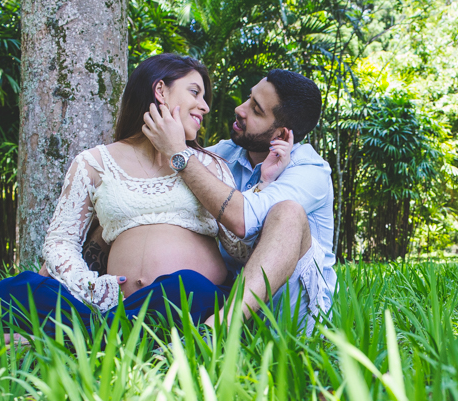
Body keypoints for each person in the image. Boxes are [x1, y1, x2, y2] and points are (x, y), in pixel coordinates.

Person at [0, 54, 291, 338]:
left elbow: (240, 249)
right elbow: (60, 244)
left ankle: (79, 337)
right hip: (114, 304)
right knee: (12, 290)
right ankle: (118, 333)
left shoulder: (209, 165)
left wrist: (262, 185)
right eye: (195, 93)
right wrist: (91, 289)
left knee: (186, 286)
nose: (205, 107)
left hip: (188, 299)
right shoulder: (93, 162)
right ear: (160, 89)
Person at [142, 69, 335, 333]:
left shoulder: (310, 170)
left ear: (280, 134)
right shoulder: (224, 154)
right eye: (248, 98)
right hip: (224, 298)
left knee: (288, 212)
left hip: (290, 319)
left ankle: (216, 333)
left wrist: (179, 152)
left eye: (256, 110)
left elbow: (243, 220)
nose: (240, 109)